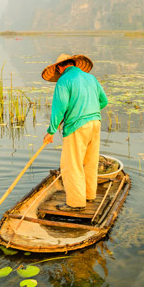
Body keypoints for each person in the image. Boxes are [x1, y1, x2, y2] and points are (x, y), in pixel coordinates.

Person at [42, 53, 108, 211]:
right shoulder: (91, 78)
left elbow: (59, 109)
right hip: (95, 123)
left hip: (77, 127)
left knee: (72, 165)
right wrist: (88, 112)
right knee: (90, 162)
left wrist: (51, 131)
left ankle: (76, 203)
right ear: (74, 64)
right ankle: (89, 195)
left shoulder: (63, 80)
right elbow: (103, 101)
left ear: (60, 67)